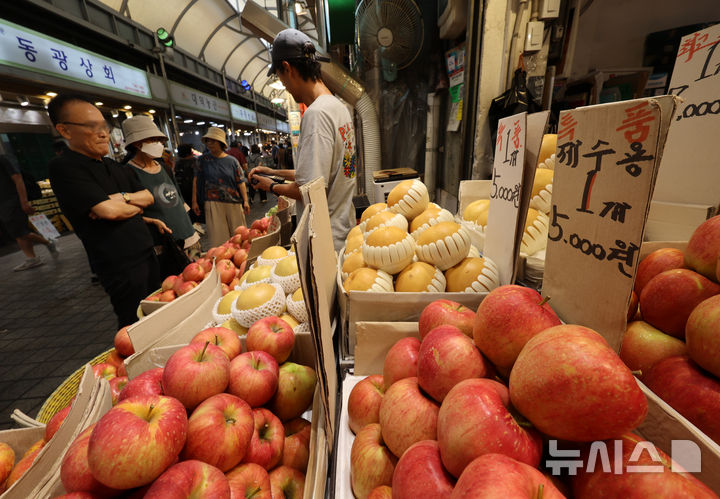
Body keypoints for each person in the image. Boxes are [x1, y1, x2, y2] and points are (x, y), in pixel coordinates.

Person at [47, 94, 159, 328]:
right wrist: (129, 206)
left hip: (147, 252)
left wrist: (124, 199)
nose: (103, 134)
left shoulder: (112, 165)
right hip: (119, 264)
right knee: (135, 325)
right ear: (65, 131)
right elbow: (109, 211)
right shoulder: (65, 168)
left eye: (104, 127)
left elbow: (148, 197)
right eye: (91, 127)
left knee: (159, 312)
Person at [250, 28, 357, 251]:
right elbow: (322, 173)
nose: (286, 88)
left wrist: (270, 186)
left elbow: (307, 190)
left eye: (280, 78)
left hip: (325, 244)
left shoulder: (317, 114)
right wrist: (273, 172)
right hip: (343, 231)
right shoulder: (339, 108)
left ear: (287, 69)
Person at [121, 115, 200, 272]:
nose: (159, 145)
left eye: (159, 140)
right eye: (153, 140)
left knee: (199, 274)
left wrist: (191, 225)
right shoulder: (128, 173)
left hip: (188, 235)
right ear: (137, 143)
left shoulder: (164, 167)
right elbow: (130, 209)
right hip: (164, 244)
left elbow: (178, 199)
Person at [192, 127, 250, 247]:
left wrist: (245, 200)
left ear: (221, 143)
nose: (209, 143)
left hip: (233, 202)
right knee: (219, 240)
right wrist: (194, 201)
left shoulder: (232, 161)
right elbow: (196, 180)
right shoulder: (202, 160)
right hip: (212, 203)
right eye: (208, 141)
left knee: (239, 238)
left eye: (213, 141)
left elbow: (240, 182)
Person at [0, 154, 58, 271]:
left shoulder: (3, 159)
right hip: (4, 203)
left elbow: (18, 179)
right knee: (17, 232)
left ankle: (48, 242)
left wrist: (24, 201)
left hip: (12, 201)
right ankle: (32, 258)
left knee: (20, 232)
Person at [174, 144, 202, 224]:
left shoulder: (178, 163)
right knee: (197, 215)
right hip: (195, 194)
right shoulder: (195, 162)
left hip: (182, 194)